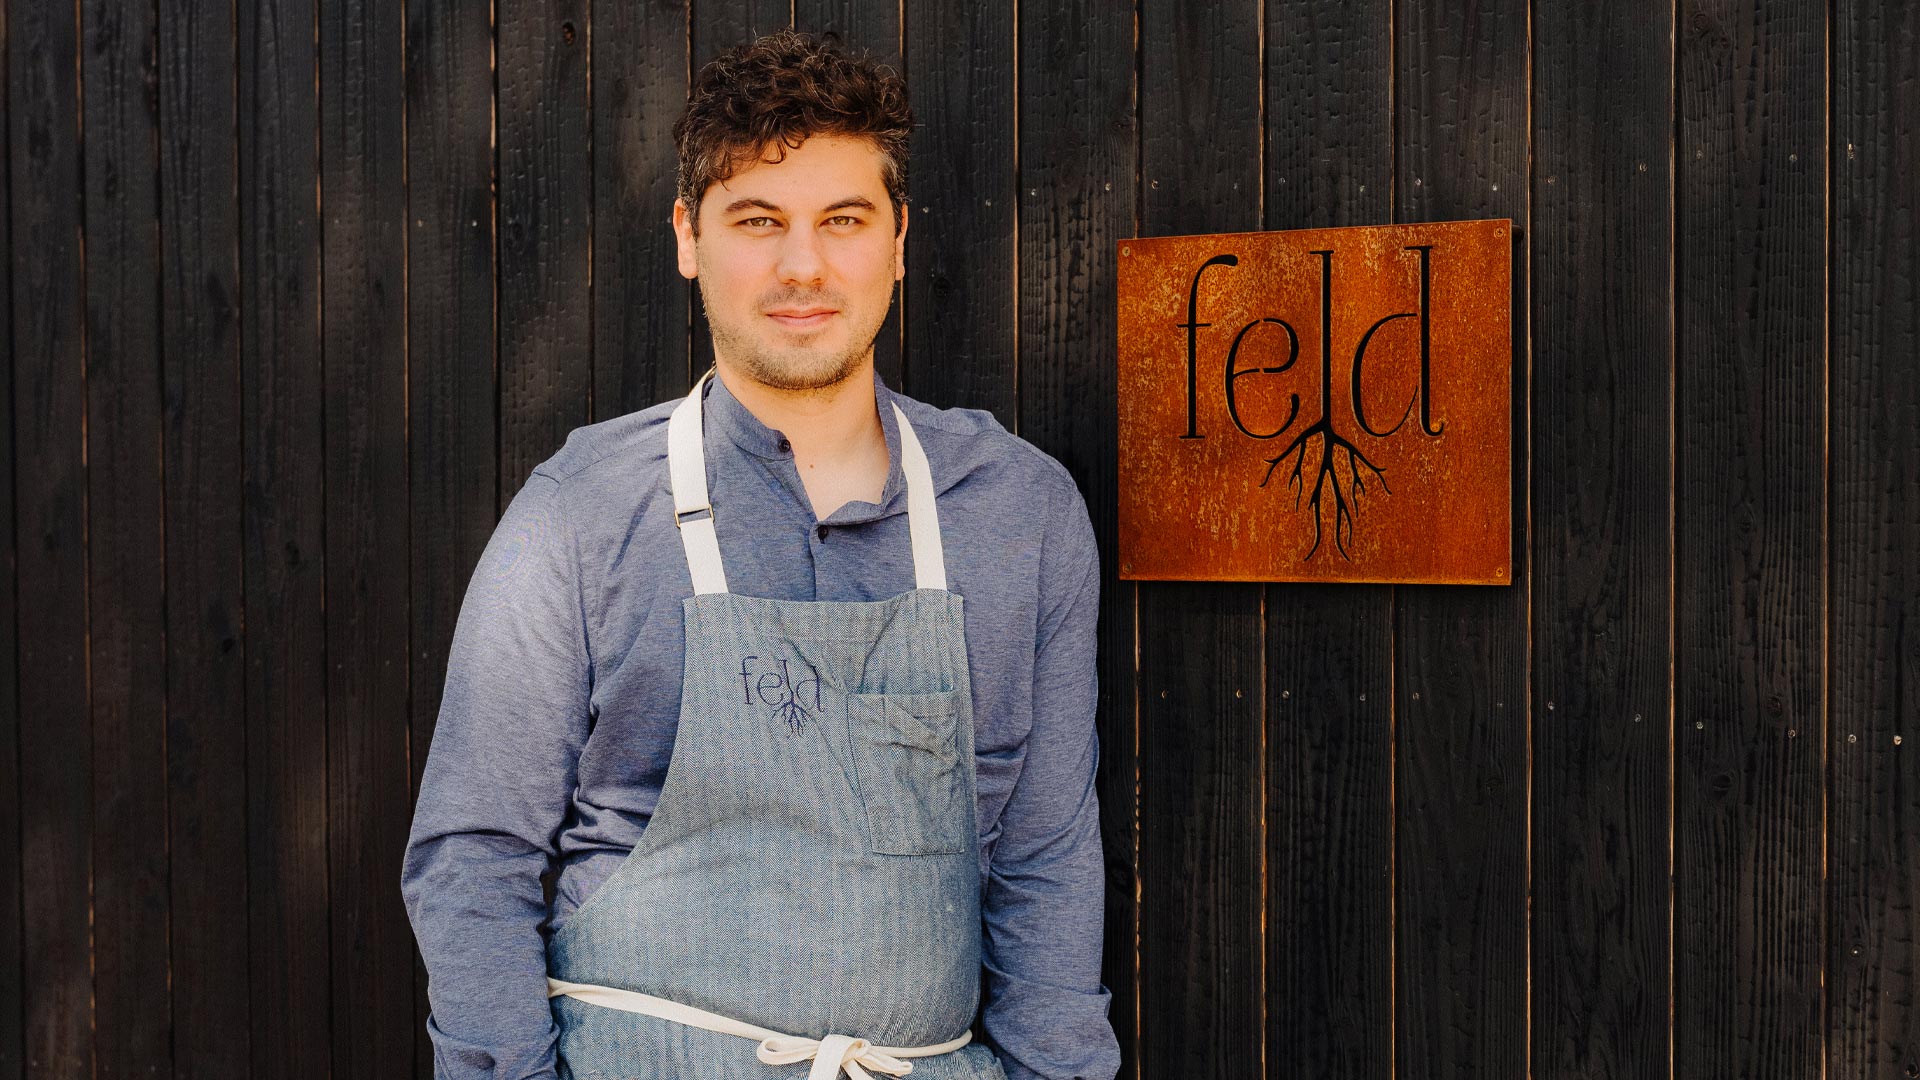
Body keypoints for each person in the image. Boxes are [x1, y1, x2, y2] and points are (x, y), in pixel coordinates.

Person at [401, 28, 1120, 1080]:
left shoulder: (1021, 512)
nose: (802, 266)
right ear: (688, 237)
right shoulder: (579, 514)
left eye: (844, 220)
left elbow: (1046, 864)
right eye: (757, 221)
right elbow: (474, 858)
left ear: (899, 239)